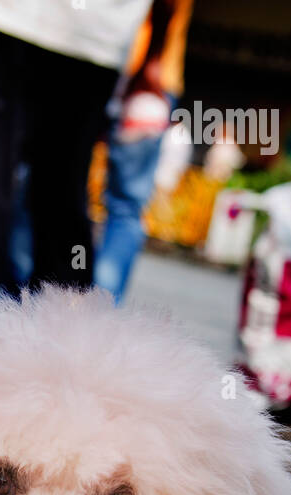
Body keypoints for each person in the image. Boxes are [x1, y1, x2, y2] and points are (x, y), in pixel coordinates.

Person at [0, 0, 159, 320]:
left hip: (16, 20)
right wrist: (153, 54)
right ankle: (63, 361)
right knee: (61, 211)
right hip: (99, 41)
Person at [93, 0, 194, 302]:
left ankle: (36, 308)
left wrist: (152, 59)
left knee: (49, 181)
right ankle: (98, 311)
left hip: (129, 68)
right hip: (149, 73)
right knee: (124, 206)